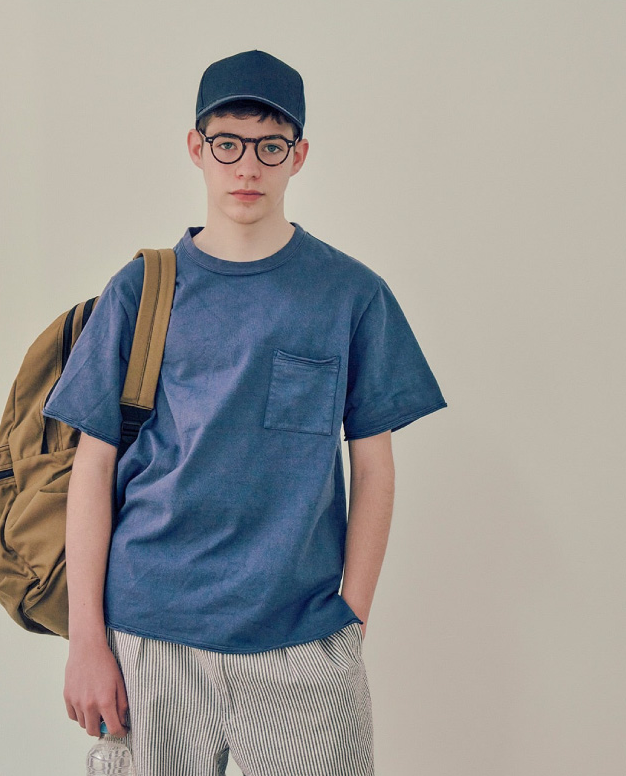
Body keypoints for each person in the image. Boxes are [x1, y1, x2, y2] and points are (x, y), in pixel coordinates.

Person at [42, 49, 447, 776]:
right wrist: (87, 640)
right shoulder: (142, 290)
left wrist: (351, 621)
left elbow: (374, 468)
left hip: (302, 637)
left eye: (270, 146)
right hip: (150, 632)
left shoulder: (350, 294)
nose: (248, 166)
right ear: (196, 149)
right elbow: (92, 467)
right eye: (227, 143)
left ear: (299, 156)